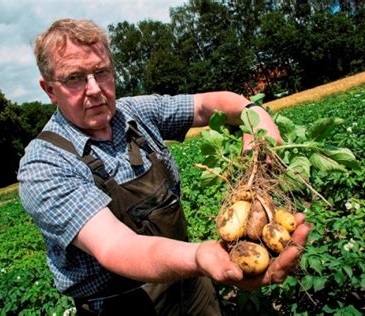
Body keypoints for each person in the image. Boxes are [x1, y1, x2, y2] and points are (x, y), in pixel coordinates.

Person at [18, 18, 311, 315]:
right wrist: (199, 257)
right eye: (74, 78)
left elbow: (206, 105)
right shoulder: (44, 164)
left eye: (101, 72)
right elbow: (116, 247)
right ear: (50, 90)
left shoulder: (136, 112)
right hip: (126, 305)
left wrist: (255, 118)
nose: (94, 89)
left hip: (192, 283)